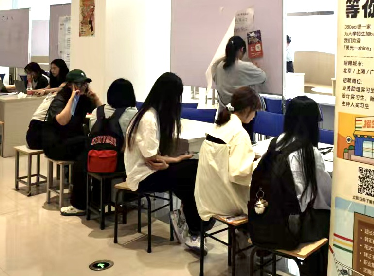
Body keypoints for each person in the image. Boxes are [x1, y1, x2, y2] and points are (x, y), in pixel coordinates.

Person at [125, 72, 210, 256]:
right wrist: (168, 163)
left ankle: (192, 226)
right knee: (192, 173)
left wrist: (175, 160)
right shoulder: (149, 119)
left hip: (146, 172)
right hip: (143, 177)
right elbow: (153, 159)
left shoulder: (149, 114)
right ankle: (194, 229)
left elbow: (154, 157)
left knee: (190, 174)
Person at [256, 95, 332, 275]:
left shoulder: (275, 143)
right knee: (331, 219)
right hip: (292, 229)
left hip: (266, 221)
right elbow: (324, 196)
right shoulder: (310, 153)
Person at [63, 78, 137, 217]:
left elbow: (93, 131)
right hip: (117, 162)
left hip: (94, 159)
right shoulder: (133, 114)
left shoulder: (97, 111)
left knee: (81, 162)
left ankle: (80, 205)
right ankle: (126, 199)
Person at [196, 87, 264, 224]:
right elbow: (239, 173)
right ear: (247, 109)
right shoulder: (239, 134)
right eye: (254, 111)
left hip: (206, 197)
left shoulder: (218, 126)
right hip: (225, 201)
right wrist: (261, 162)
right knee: (267, 198)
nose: (254, 115)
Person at [208, 36, 267, 108]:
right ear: (242, 49)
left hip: (224, 110)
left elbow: (214, 68)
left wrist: (228, 56)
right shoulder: (244, 66)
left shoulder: (219, 66)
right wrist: (255, 68)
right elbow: (263, 77)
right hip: (242, 110)